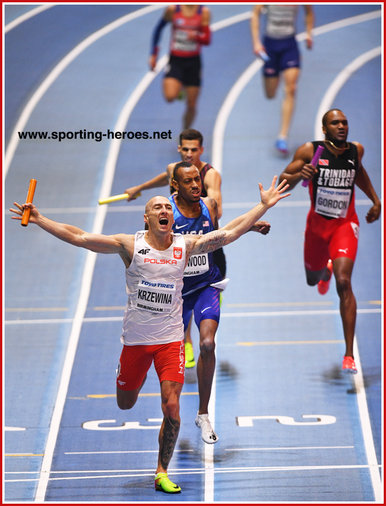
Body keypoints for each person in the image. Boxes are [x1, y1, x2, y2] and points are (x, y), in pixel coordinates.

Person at [10, 176, 290, 493]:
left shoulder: (186, 247)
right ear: (147, 218)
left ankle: (161, 472)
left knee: (172, 410)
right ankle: (128, 375)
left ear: (171, 218)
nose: (163, 210)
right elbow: (81, 237)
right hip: (136, 342)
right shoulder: (130, 245)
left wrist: (262, 206)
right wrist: (40, 219)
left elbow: (228, 232)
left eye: (166, 207)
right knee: (125, 404)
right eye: (156, 207)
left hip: (170, 341)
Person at [170, 161, 270, 443]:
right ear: (175, 185)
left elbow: (219, 236)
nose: (194, 185)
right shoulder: (164, 212)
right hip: (175, 291)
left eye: (196, 180)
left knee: (207, 344)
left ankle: (203, 413)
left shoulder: (209, 206)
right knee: (172, 355)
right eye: (187, 181)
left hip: (206, 285)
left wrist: (249, 227)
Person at [279, 108, 381, 374]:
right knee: (312, 280)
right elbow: (282, 180)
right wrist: (299, 175)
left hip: (345, 225)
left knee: (344, 282)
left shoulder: (355, 150)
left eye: (344, 122)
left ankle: (349, 354)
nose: (341, 126)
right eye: (335, 123)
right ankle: (324, 270)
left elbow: (358, 172)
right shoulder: (309, 151)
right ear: (325, 129)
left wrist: (375, 199)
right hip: (316, 228)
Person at [124, 128, 224, 368]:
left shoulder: (210, 176)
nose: (189, 154)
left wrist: (205, 208)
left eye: (194, 150)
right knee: (179, 298)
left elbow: (216, 208)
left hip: (200, 240)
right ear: (179, 149)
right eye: (185, 149)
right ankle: (185, 340)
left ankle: (193, 334)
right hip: (175, 243)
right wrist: (140, 188)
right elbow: (164, 178)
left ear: (201, 150)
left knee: (199, 295)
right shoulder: (172, 172)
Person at [250, 5, 314, 155]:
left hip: (289, 45)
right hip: (270, 45)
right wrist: (256, 42)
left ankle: (282, 136)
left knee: (291, 88)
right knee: (270, 94)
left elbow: (309, 12)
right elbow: (255, 14)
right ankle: (275, 74)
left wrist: (309, 33)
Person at [149, 5, 211, 129]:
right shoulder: (173, 10)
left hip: (194, 62)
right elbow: (158, 29)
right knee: (170, 97)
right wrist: (154, 53)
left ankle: (185, 133)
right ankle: (181, 87)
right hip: (176, 61)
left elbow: (207, 40)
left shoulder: (203, 12)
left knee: (192, 105)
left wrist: (196, 37)